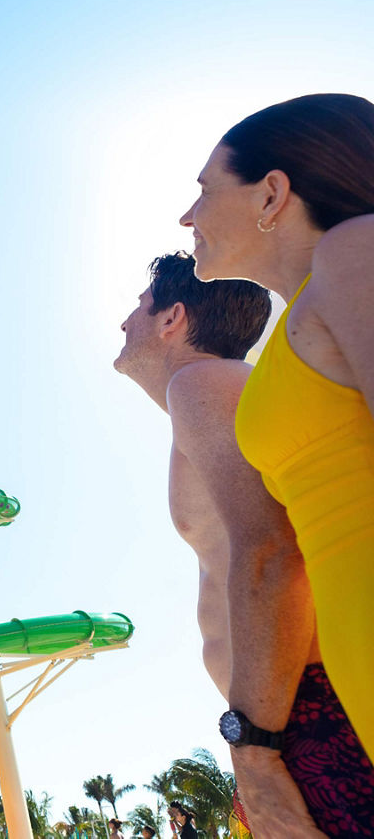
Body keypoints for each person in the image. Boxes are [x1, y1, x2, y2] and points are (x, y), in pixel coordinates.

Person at [114, 252, 374, 835]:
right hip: (291, 710)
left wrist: (254, 747)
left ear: (171, 318)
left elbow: (273, 554)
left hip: (304, 711)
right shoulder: (223, 394)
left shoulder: (199, 383)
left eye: (138, 306)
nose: (125, 322)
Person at [180, 93, 374, 830]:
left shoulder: (353, 249)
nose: (187, 216)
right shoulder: (295, 328)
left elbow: (270, 553)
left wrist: (255, 745)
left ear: (272, 193)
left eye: (203, 190)